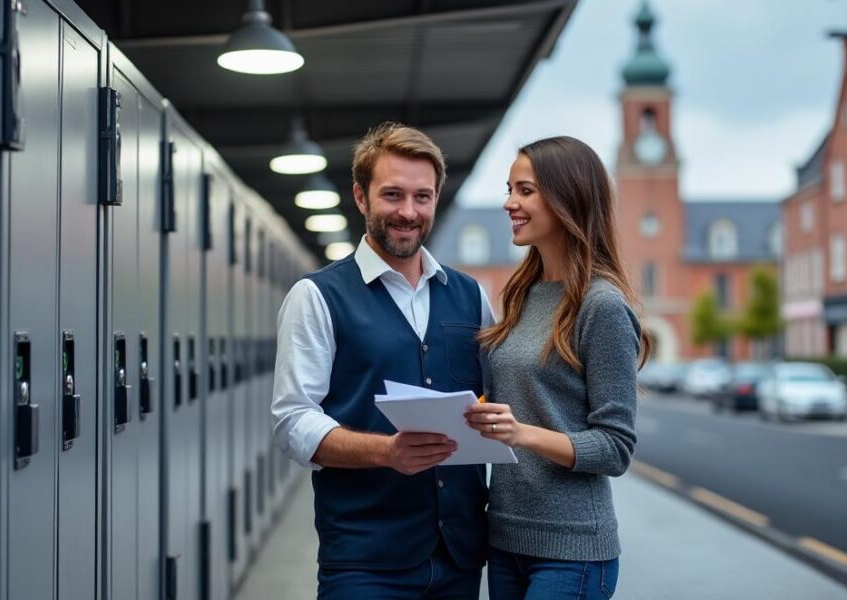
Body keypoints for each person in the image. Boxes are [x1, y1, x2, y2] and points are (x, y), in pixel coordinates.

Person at [271, 122, 495, 599]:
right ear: (361, 196)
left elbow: (497, 398)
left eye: (422, 197)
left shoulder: (471, 296)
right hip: (365, 564)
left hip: (460, 557)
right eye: (393, 195)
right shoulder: (316, 296)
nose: (408, 212)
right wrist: (386, 452)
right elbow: (292, 421)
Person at [464, 136, 649, 599]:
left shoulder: (602, 306)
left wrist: (520, 433)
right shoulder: (522, 294)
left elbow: (615, 447)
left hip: (573, 550)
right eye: (509, 189)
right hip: (505, 539)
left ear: (568, 197)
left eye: (525, 191)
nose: (509, 203)